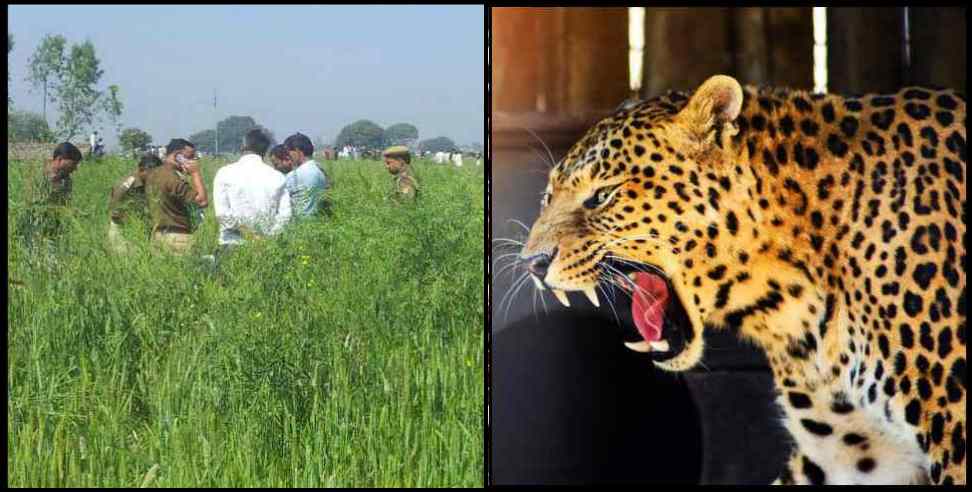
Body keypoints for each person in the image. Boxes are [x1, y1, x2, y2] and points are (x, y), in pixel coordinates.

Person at [213, 129, 292, 251]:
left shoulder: (224, 173)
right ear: (265, 150)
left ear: (243, 146)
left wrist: (249, 235)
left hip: (233, 244)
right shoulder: (277, 177)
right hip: (266, 246)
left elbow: (222, 214)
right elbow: (285, 215)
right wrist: (269, 237)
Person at [14, 142, 84, 257]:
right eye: (73, 164)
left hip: (54, 230)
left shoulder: (67, 180)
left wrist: (71, 211)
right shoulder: (38, 175)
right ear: (60, 159)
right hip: (34, 229)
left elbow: (65, 203)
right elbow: (32, 205)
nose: (75, 168)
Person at [144, 138, 208, 255]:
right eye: (191, 157)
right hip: (177, 237)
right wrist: (195, 173)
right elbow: (202, 201)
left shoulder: (153, 174)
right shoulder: (172, 177)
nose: (194, 160)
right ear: (178, 156)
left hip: (157, 236)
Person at [107, 153, 162, 254]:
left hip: (141, 228)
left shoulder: (151, 183)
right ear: (141, 170)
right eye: (152, 174)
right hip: (123, 230)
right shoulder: (125, 185)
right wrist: (134, 222)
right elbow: (114, 212)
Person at [282, 132, 329, 218]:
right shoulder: (321, 170)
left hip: (301, 225)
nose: (288, 157)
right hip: (321, 221)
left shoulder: (293, 176)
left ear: (297, 151)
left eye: (288, 153)